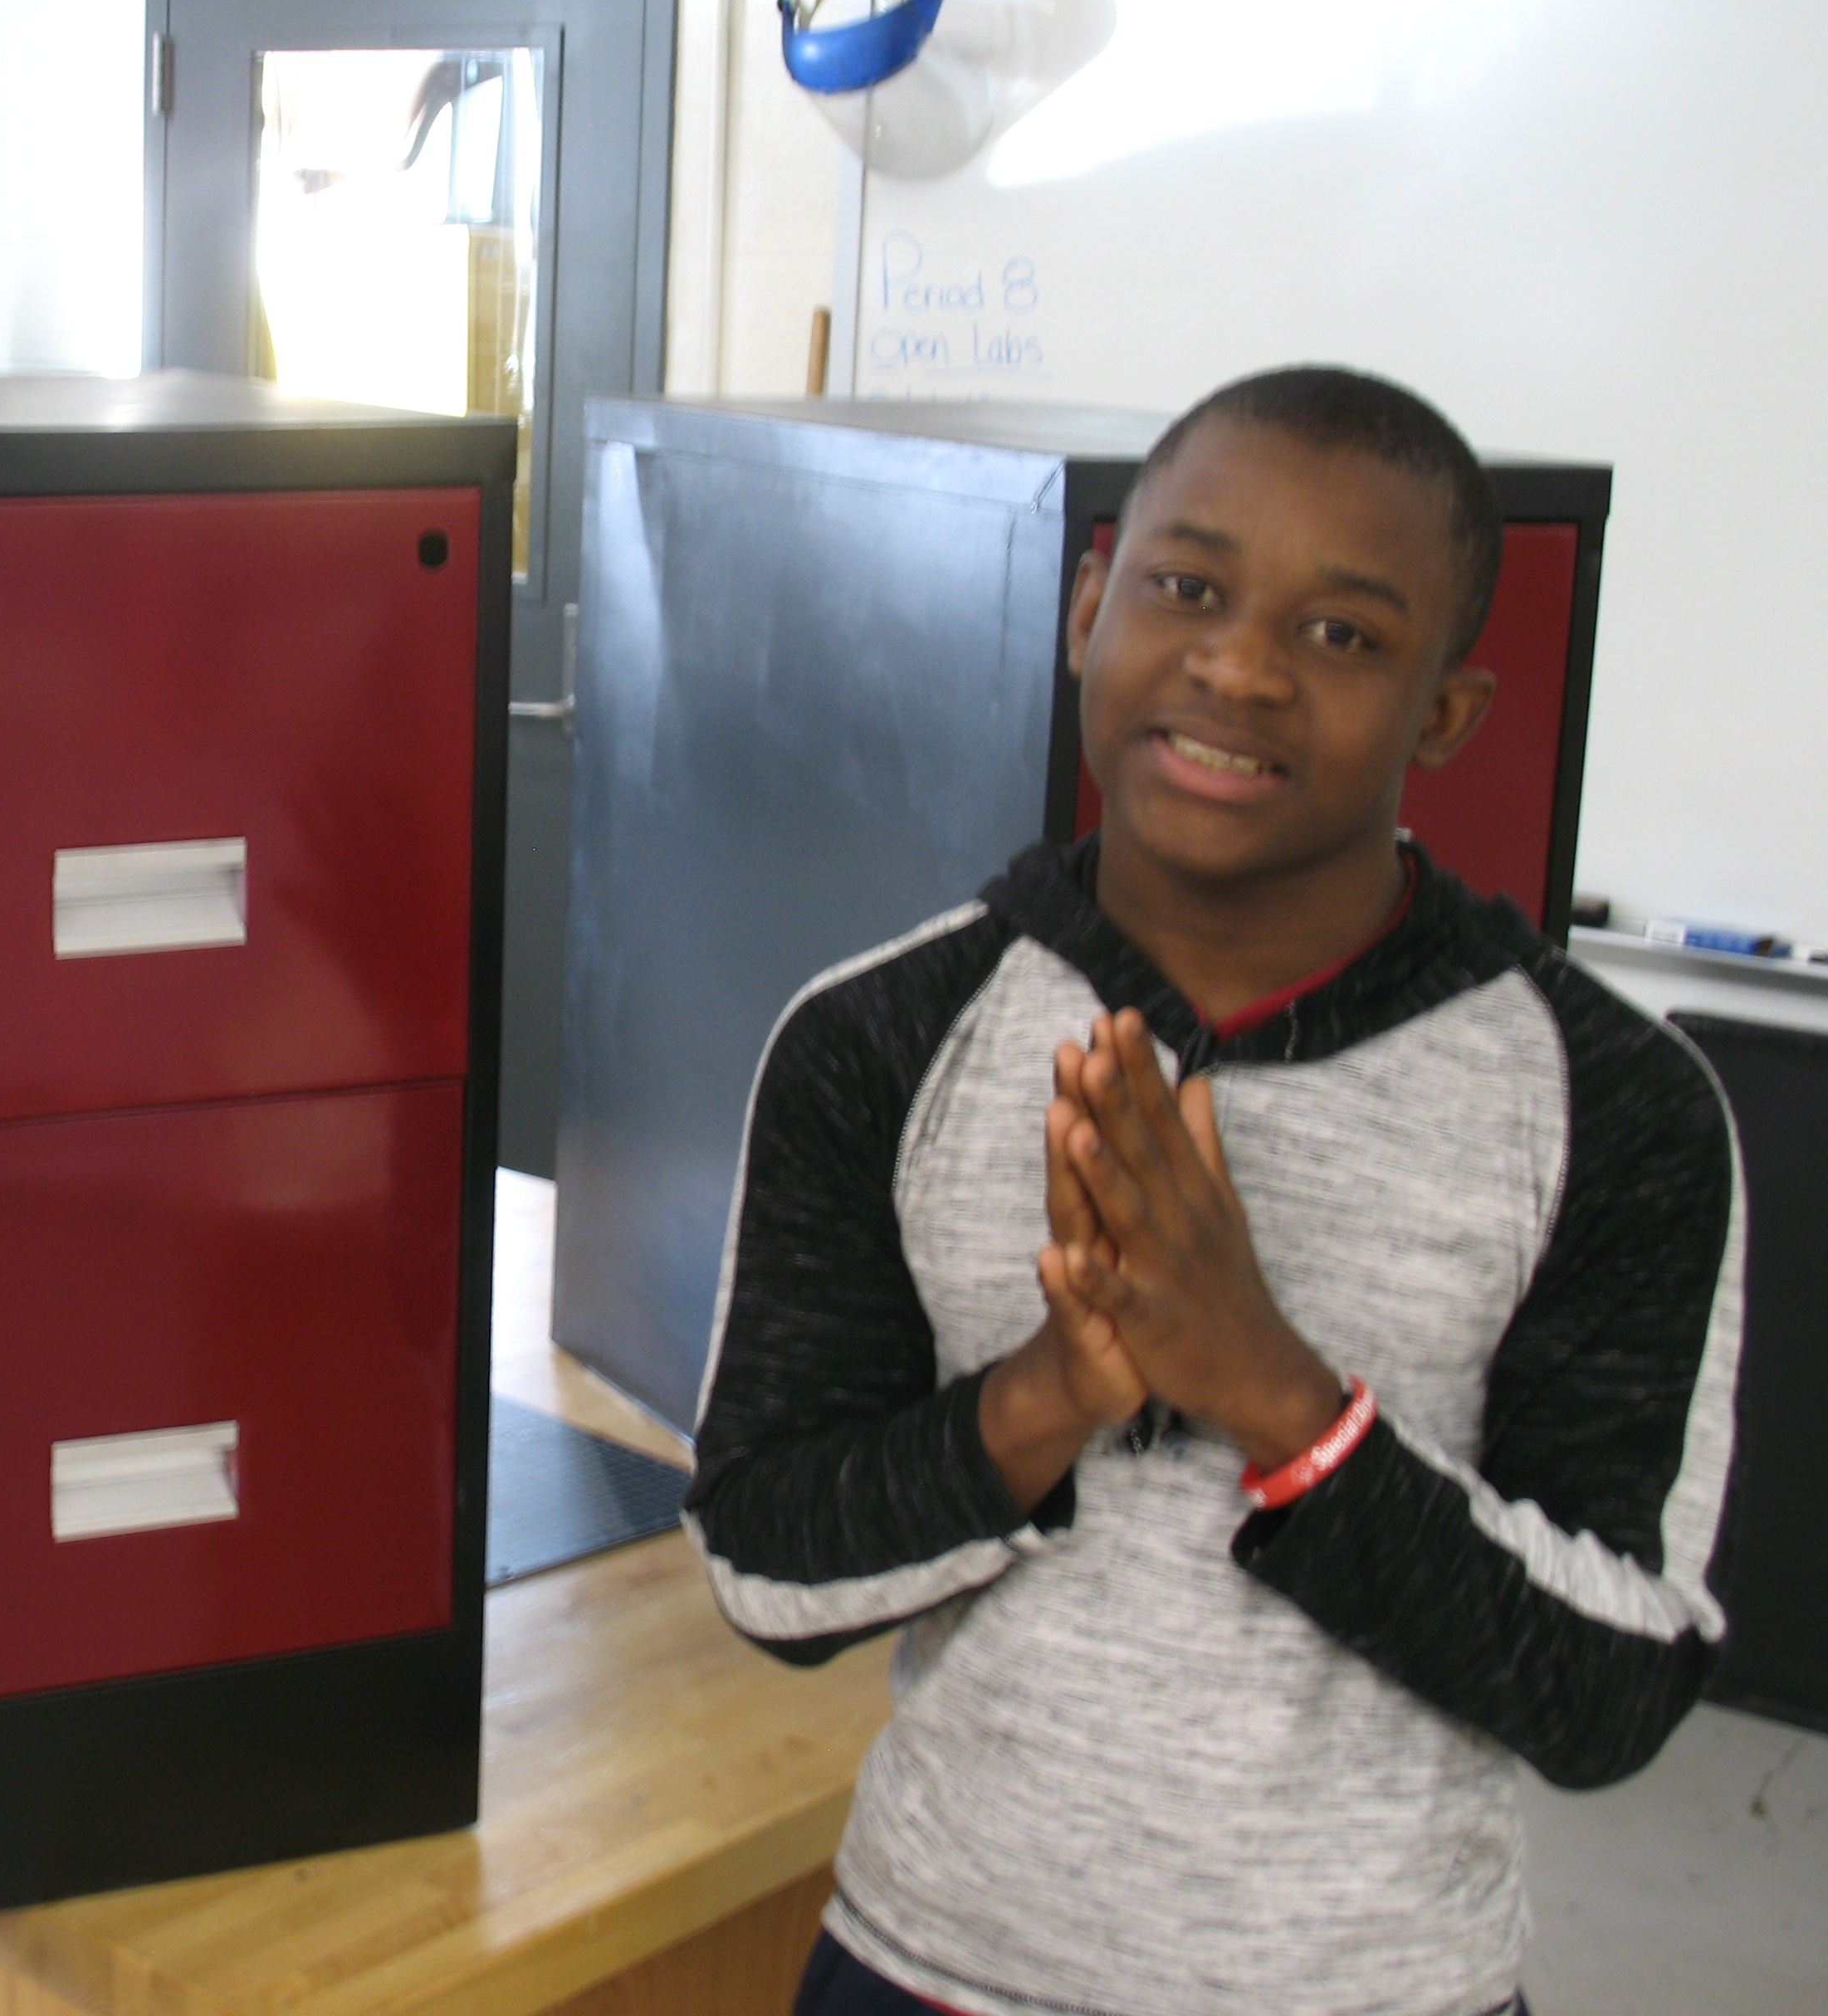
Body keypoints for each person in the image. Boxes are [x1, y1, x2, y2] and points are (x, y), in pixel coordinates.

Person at [684, 367, 1743, 2016]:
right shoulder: (876, 1042)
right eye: (1189, 588)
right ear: (1091, 603)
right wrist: (1045, 1400)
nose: (1242, 666)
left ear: (1445, 716)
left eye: (1345, 636)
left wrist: (1277, 1398)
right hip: (930, 1972)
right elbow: (764, 1567)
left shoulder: (1619, 1106)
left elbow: (1610, 1691)